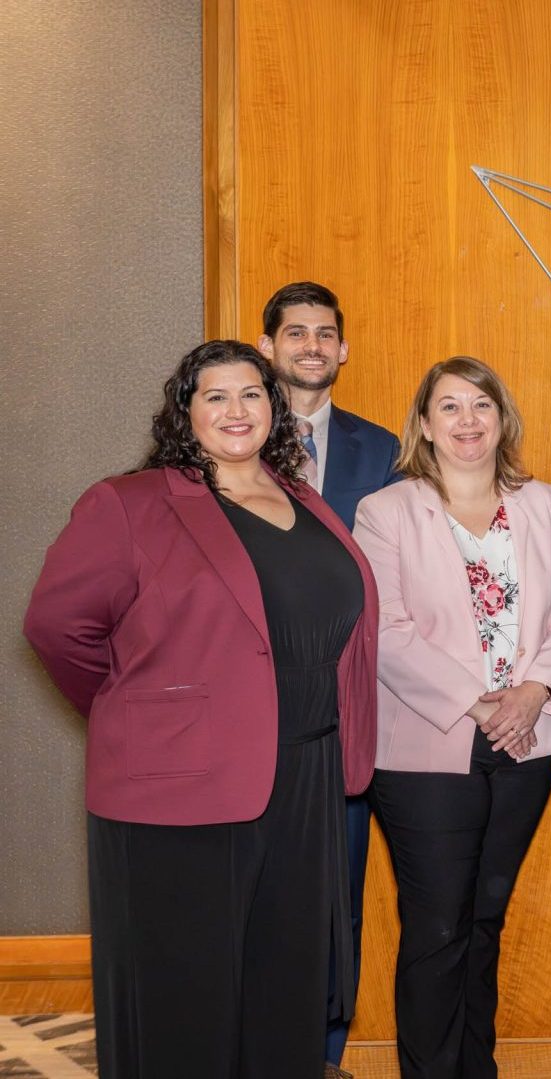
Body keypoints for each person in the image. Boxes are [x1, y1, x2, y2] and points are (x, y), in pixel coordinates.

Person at [24, 340, 379, 1077]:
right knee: (185, 993)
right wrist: (142, 715)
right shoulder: (131, 503)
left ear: (275, 405)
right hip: (181, 789)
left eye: (251, 393)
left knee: (286, 983)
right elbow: (57, 627)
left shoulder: (305, 502)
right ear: (185, 411)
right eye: (214, 396)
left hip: (306, 775)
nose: (235, 410)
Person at [353, 357, 551, 1078]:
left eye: (481, 405)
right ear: (424, 424)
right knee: (437, 926)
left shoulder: (548, 503)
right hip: (425, 748)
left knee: (485, 921)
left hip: (529, 741)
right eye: (449, 407)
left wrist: (534, 692)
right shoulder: (386, 511)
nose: (467, 421)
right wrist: (479, 702)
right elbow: (386, 630)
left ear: (502, 418)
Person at [257, 280, 402, 1075]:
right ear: (269, 346)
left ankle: (322, 1055)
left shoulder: (382, 450)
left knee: (340, 895)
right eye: (295, 332)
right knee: (260, 891)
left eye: (324, 333)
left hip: (358, 710)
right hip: (256, 712)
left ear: (343, 349)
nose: (311, 345)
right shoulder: (230, 443)